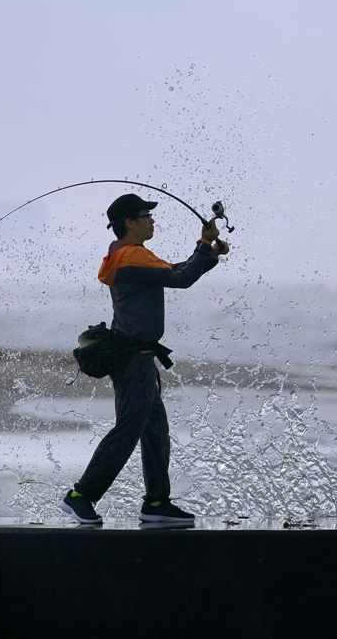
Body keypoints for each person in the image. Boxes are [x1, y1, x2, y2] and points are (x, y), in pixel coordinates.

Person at [60, 193, 229, 525]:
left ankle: (156, 504)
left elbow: (172, 271)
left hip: (139, 358)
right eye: (146, 215)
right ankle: (80, 495)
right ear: (130, 223)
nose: (152, 221)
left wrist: (207, 252)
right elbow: (178, 278)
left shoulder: (129, 256)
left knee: (155, 432)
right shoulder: (131, 256)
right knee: (128, 430)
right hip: (133, 361)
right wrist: (203, 244)